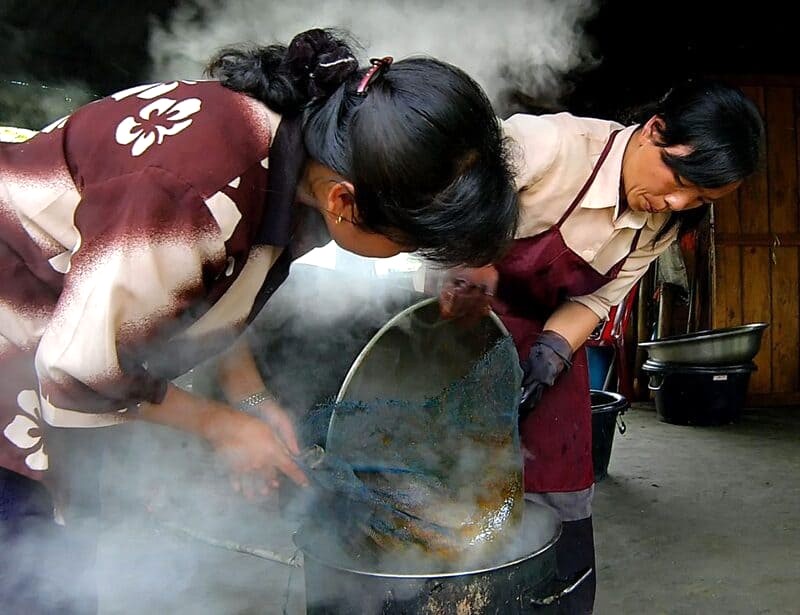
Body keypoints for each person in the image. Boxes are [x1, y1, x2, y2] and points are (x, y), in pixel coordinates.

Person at [0, 27, 518, 611]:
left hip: (62, 355)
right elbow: (77, 370)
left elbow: (200, 296)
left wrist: (248, 398)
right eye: (404, 243)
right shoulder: (196, 191)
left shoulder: (297, 164)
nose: (401, 255)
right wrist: (222, 427)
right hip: (15, 357)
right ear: (345, 202)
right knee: (40, 580)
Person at [439, 79, 765, 613]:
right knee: (450, 469)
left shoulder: (659, 227)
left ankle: (555, 599)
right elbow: (443, 198)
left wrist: (551, 352)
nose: (677, 201)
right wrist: (465, 260)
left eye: (700, 198)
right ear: (654, 130)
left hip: (548, 334)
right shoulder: (549, 147)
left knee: (561, 477)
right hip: (460, 324)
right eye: (679, 178)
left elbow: (596, 301)